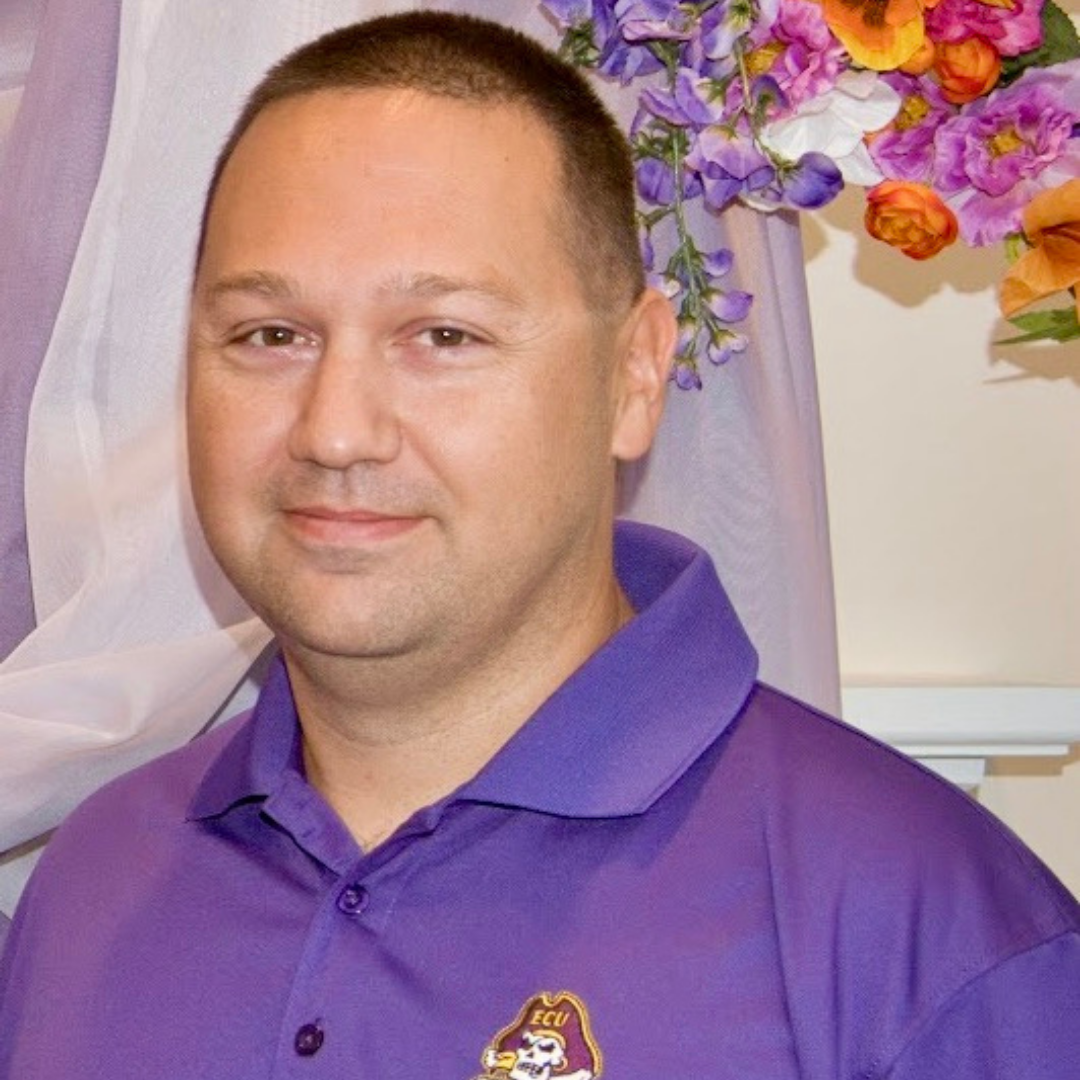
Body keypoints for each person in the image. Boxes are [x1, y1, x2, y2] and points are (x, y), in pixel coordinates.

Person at [0, 11, 1077, 1079]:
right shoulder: (95, 882)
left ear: (635, 376)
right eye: (270, 336)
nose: (334, 430)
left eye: (444, 337)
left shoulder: (924, 937)